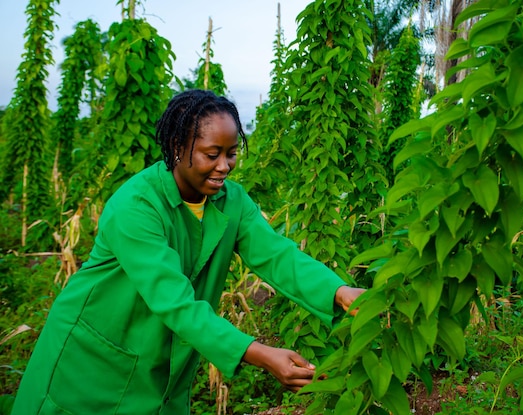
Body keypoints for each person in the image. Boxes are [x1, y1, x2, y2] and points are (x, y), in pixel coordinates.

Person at [11, 89, 365, 415]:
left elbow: (277, 255)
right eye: (212, 154)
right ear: (178, 146)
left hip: (156, 360)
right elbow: (175, 301)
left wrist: (338, 291)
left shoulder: (231, 201)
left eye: (231, 154)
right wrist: (258, 353)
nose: (224, 166)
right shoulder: (137, 206)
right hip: (90, 362)